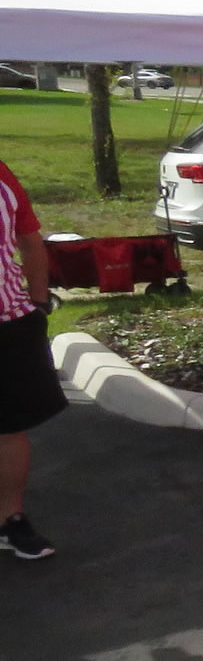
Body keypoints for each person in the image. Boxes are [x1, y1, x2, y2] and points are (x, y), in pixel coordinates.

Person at [0, 159, 65, 560]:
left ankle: (10, 520)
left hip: (8, 320)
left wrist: (39, 302)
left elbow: (29, 239)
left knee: (9, 428)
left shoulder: (1, 175)